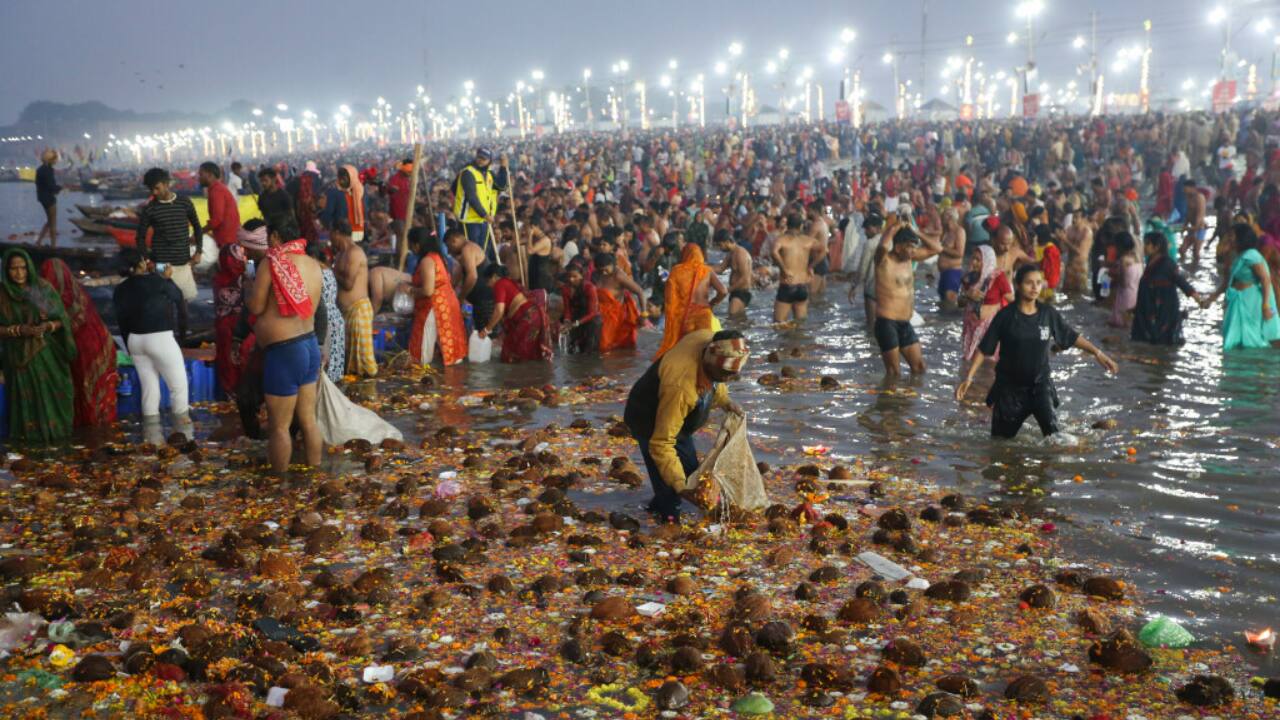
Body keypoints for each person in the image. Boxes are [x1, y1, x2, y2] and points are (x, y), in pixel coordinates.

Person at [956, 264, 1118, 439]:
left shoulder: (1047, 314)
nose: (1035, 288)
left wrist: (1097, 353)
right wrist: (969, 378)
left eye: (1038, 283)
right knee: (1000, 444)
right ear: (1018, 285)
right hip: (1009, 391)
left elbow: (1070, 336)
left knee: (1055, 439)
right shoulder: (1005, 316)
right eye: (1029, 283)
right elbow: (984, 348)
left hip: (1041, 387)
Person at [623, 329, 747, 523]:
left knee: (692, 474)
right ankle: (667, 524)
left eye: (732, 375)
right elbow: (661, 443)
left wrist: (725, 402)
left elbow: (717, 382)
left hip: (677, 421)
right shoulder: (681, 386)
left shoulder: (707, 339)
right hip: (647, 417)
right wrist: (680, 486)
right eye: (724, 374)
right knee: (671, 486)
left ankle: (654, 507)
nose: (728, 379)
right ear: (709, 360)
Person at [242, 217, 323, 473]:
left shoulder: (272, 263)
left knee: (279, 426)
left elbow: (255, 307)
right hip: (309, 345)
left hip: (285, 351)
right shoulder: (313, 264)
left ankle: (280, 486)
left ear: (276, 237)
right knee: (308, 420)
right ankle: (316, 474)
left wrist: (247, 290)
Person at [112, 247, 191, 444]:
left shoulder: (120, 290)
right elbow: (178, 298)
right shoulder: (157, 281)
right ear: (140, 264)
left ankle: (152, 441)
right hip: (160, 338)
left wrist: (130, 349)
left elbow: (122, 322)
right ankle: (184, 437)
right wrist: (168, 278)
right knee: (178, 388)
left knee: (149, 391)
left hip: (135, 341)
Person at [0, 249, 75, 442]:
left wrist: (47, 326)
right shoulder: (3, 294)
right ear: (6, 270)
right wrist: (16, 330)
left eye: (23, 268)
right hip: (17, 357)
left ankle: (56, 437)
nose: (19, 273)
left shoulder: (39, 289)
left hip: (44, 351)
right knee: (24, 400)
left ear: (29, 268)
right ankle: (29, 440)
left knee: (52, 393)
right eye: (13, 269)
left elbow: (60, 320)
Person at [38, 258, 116, 428]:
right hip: (102, 344)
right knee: (95, 391)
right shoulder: (76, 292)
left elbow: (65, 324)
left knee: (85, 389)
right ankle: (100, 429)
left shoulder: (58, 297)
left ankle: (92, 428)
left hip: (86, 349)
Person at [873, 219, 943, 376]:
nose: (913, 250)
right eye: (909, 247)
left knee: (919, 368)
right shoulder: (883, 261)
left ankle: (908, 400)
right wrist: (894, 227)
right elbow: (883, 246)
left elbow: (937, 248)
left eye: (914, 247)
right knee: (894, 373)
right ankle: (890, 401)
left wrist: (917, 232)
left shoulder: (909, 258)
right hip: (887, 323)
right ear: (898, 247)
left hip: (905, 323)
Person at [1200, 222, 1280, 349]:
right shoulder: (1234, 256)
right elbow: (1227, 283)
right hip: (1236, 302)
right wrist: (1211, 299)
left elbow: (1265, 280)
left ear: (1241, 238)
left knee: (1252, 340)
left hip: (1251, 303)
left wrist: (1266, 305)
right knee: (1234, 339)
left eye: (1232, 236)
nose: (1229, 238)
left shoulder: (1252, 256)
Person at [135, 168, 202, 302]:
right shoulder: (150, 209)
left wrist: (198, 252)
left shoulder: (184, 202)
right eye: (151, 189)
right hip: (161, 265)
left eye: (157, 188)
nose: (154, 192)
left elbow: (197, 226)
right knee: (165, 303)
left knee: (185, 303)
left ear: (166, 184)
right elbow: (139, 238)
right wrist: (148, 261)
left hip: (184, 262)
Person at [654, 240, 725, 359]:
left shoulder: (677, 271)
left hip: (684, 319)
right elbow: (723, 291)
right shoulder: (707, 270)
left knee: (684, 354)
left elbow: (670, 299)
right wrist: (713, 303)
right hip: (703, 317)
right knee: (703, 353)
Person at [406, 227, 467, 367]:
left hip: (435, 308)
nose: (411, 249)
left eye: (411, 245)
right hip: (447, 304)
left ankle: (424, 384)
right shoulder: (438, 257)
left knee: (421, 354)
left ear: (417, 245)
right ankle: (454, 385)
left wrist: (409, 289)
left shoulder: (427, 260)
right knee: (450, 351)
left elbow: (428, 290)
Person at [1132, 231, 1201, 345]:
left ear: (1156, 246)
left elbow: (1181, 282)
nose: (1144, 247)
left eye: (1147, 244)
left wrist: (1198, 299)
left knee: (1160, 340)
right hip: (1150, 307)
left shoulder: (1167, 263)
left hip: (1163, 310)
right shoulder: (1150, 261)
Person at [477, 265, 552, 363]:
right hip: (534, 317)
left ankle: (519, 377)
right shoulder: (508, 283)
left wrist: (486, 330)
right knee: (530, 355)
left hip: (527, 319)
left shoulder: (500, 283)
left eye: (488, 281)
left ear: (495, 276)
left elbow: (499, 310)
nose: (488, 285)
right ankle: (535, 375)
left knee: (514, 356)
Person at [332, 222, 376, 378]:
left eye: (332, 234)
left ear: (337, 232)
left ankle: (370, 394)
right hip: (346, 312)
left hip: (358, 311)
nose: (330, 239)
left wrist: (331, 271)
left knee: (365, 365)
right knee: (351, 362)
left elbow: (348, 284)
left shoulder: (355, 252)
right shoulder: (340, 255)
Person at [214, 224, 253, 398]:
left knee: (227, 360)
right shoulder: (245, 279)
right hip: (239, 325)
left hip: (224, 325)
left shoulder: (219, 278)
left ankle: (230, 393)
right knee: (238, 359)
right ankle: (240, 394)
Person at [958, 246, 1012, 374]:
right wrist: (967, 295)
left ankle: (985, 389)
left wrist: (996, 308)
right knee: (969, 361)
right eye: (973, 258)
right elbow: (960, 303)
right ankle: (970, 388)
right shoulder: (969, 278)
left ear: (988, 261)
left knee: (989, 363)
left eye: (978, 259)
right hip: (971, 328)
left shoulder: (998, 277)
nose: (973, 262)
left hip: (991, 328)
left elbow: (1012, 300)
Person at [453, 148, 509, 262]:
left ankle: (481, 277)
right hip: (469, 220)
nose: (480, 161)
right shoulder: (468, 173)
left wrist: (503, 168)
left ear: (489, 161)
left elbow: (502, 187)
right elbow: (471, 197)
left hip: (483, 220)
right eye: (479, 157)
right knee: (471, 253)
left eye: (484, 159)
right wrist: (484, 214)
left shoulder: (489, 174)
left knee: (482, 252)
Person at [771, 210, 825, 323]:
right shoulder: (807, 241)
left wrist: (784, 269)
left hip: (788, 285)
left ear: (787, 225)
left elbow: (774, 252)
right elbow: (824, 250)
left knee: (779, 323)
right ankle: (798, 340)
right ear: (801, 226)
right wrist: (811, 266)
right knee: (800, 323)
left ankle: (786, 340)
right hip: (802, 287)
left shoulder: (782, 239)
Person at [445, 224, 495, 334]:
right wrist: (450, 287)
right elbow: (460, 273)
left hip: (484, 299)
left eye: (449, 247)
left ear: (454, 240)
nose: (449, 252)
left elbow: (472, 277)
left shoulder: (467, 249)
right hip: (479, 300)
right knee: (480, 331)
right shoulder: (466, 250)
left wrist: (461, 297)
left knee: (485, 333)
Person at [595, 252, 645, 352]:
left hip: (615, 320)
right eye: (601, 270)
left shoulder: (618, 276)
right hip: (599, 317)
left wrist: (644, 314)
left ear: (613, 264)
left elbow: (640, 291)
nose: (603, 273)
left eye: (606, 269)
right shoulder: (599, 274)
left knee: (606, 349)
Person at [312, 242, 345, 383]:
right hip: (336, 318)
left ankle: (325, 400)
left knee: (325, 364)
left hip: (325, 321)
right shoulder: (328, 271)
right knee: (335, 363)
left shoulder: (315, 273)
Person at [848, 213, 885, 327]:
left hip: (872, 288)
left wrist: (854, 287)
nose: (865, 232)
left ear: (878, 228)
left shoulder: (871, 243)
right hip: (887, 288)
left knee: (871, 325)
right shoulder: (890, 241)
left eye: (868, 229)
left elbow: (863, 269)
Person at [560, 263, 601, 354]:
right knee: (573, 349)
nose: (571, 279)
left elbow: (593, 312)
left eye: (575, 276)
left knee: (590, 351)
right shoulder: (565, 289)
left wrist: (576, 323)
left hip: (591, 320)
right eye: (569, 276)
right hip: (576, 317)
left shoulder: (589, 288)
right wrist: (567, 321)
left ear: (581, 276)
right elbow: (567, 309)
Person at [199, 161, 240, 249]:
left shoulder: (217, 191)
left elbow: (217, 219)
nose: (199, 178)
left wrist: (199, 232)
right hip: (227, 237)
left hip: (227, 239)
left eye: (201, 174)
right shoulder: (216, 188)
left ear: (210, 175)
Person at [1107, 232, 1142, 328]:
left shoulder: (1123, 260)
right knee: (1129, 323)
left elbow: (1122, 281)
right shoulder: (1137, 258)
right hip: (1135, 293)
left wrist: (1112, 275)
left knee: (1120, 323)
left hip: (1124, 295)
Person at [715, 229, 754, 315]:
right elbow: (720, 268)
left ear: (727, 241)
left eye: (720, 245)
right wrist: (702, 267)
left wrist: (728, 290)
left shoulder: (741, 254)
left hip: (741, 293)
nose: (719, 248)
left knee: (732, 317)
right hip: (735, 292)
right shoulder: (731, 254)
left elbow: (745, 278)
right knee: (738, 320)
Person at [937, 207, 967, 308]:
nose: (940, 218)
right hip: (944, 274)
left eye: (943, 216)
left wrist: (941, 248)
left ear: (949, 218)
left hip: (952, 274)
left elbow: (960, 253)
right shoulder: (946, 232)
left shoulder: (959, 231)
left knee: (950, 305)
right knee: (943, 304)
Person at [35, 150, 61, 246]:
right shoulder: (48, 170)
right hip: (49, 199)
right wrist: (60, 188)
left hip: (42, 198)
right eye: (55, 159)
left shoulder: (40, 169)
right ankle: (53, 246)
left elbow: (40, 185)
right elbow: (51, 186)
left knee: (49, 221)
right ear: (51, 160)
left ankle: (39, 241)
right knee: (53, 222)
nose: (56, 161)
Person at [1180, 182, 1207, 265]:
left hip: (1200, 228)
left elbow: (1200, 215)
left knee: (1196, 252)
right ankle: (1186, 269)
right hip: (1191, 228)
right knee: (1182, 250)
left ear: (1192, 188)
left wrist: (1195, 230)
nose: (1184, 190)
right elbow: (1189, 213)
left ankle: (1196, 269)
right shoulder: (1188, 197)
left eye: (1185, 188)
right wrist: (1184, 226)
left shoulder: (1200, 197)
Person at [337, 164, 366, 242]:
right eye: (341, 177)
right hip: (344, 229)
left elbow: (365, 210)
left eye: (345, 177)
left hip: (358, 229)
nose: (342, 180)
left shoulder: (360, 191)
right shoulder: (338, 192)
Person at [1034, 225, 1063, 303]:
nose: (1033, 237)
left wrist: (1050, 283)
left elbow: (1055, 269)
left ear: (1040, 236)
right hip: (1038, 284)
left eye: (1035, 235)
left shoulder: (1051, 250)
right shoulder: (1036, 247)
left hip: (1045, 286)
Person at [387, 158, 413, 241]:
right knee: (402, 237)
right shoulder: (395, 179)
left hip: (407, 213)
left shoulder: (407, 179)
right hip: (397, 214)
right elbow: (391, 190)